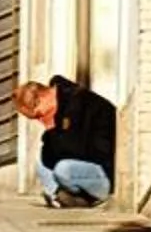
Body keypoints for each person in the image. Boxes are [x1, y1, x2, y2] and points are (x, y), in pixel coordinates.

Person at [16, 73, 116, 207]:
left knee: (63, 169)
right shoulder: (61, 106)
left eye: (38, 115)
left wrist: (51, 128)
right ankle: (59, 197)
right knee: (41, 165)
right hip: (85, 167)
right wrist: (52, 133)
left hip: (105, 173)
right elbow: (49, 158)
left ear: (41, 99)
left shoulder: (77, 102)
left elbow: (76, 150)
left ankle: (77, 198)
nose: (40, 120)